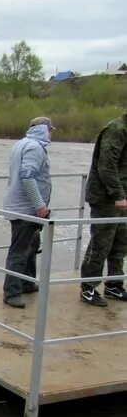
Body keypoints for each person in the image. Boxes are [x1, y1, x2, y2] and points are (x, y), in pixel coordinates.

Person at [2, 117, 55, 309]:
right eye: (51, 130)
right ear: (44, 130)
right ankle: (12, 293)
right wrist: (40, 206)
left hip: (24, 207)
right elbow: (27, 177)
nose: (52, 134)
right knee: (20, 250)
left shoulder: (22, 144)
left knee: (32, 245)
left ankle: (27, 283)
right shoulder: (34, 148)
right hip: (26, 209)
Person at [79, 112, 127, 306]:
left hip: (122, 197)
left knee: (121, 243)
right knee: (101, 243)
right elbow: (106, 165)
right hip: (106, 197)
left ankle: (114, 285)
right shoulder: (117, 130)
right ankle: (88, 287)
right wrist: (118, 195)